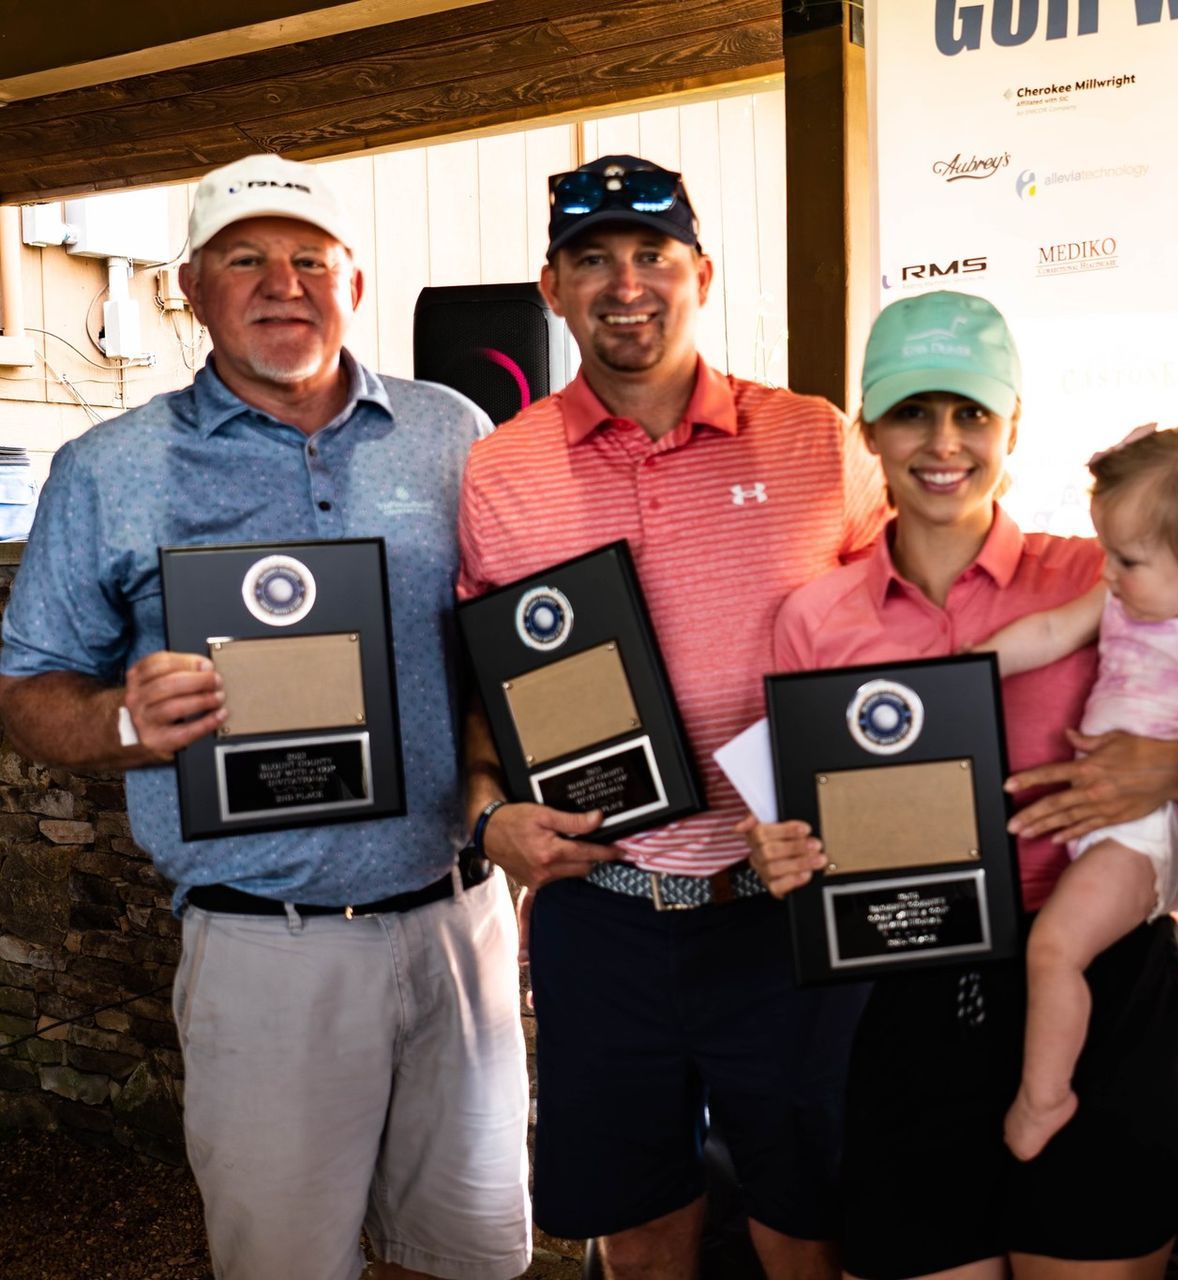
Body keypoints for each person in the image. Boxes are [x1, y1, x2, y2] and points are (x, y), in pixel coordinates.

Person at [0, 154, 529, 1280]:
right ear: (191, 285)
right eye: (245, 258)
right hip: (263, 943)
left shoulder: (452, 430)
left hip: (459, 924)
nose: (282, 283)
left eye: (308, 258)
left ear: (356, 283)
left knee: (472, 1256)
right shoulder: (109, 468)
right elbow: (30, 690)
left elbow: (506, 643)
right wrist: (126, 723)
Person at [748, 290, 1178, 1280]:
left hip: (1106, 993)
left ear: (1013, 425)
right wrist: (781, 851)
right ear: (868, 431)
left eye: (972, 412)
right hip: (909, 1003)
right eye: (912, 412)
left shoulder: (1105, 576)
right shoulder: (815, 617)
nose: (943, 441)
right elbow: (796, 810)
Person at [455, 154, 887, 1279]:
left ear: (701, 270)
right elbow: (480, 694)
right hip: (605, 913)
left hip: (785, 907)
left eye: (653, 255)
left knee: (808, 1221)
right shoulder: (499, 471)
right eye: (591, 259)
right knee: (639, 1232)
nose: (625, 283)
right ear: (551, 287)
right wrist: (491, 813)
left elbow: (907, 634)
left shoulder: (813, 439)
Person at [970, 425, 1178, 1160]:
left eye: (1129, 559)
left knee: (1056, 949)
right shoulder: (1120, 602)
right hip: (1123, 831)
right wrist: (964, 669)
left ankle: (1045, 1095)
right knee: (1149, 920)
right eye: (1106, 549)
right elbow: (1044, 634)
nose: (1107, 570)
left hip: (1156, 824)